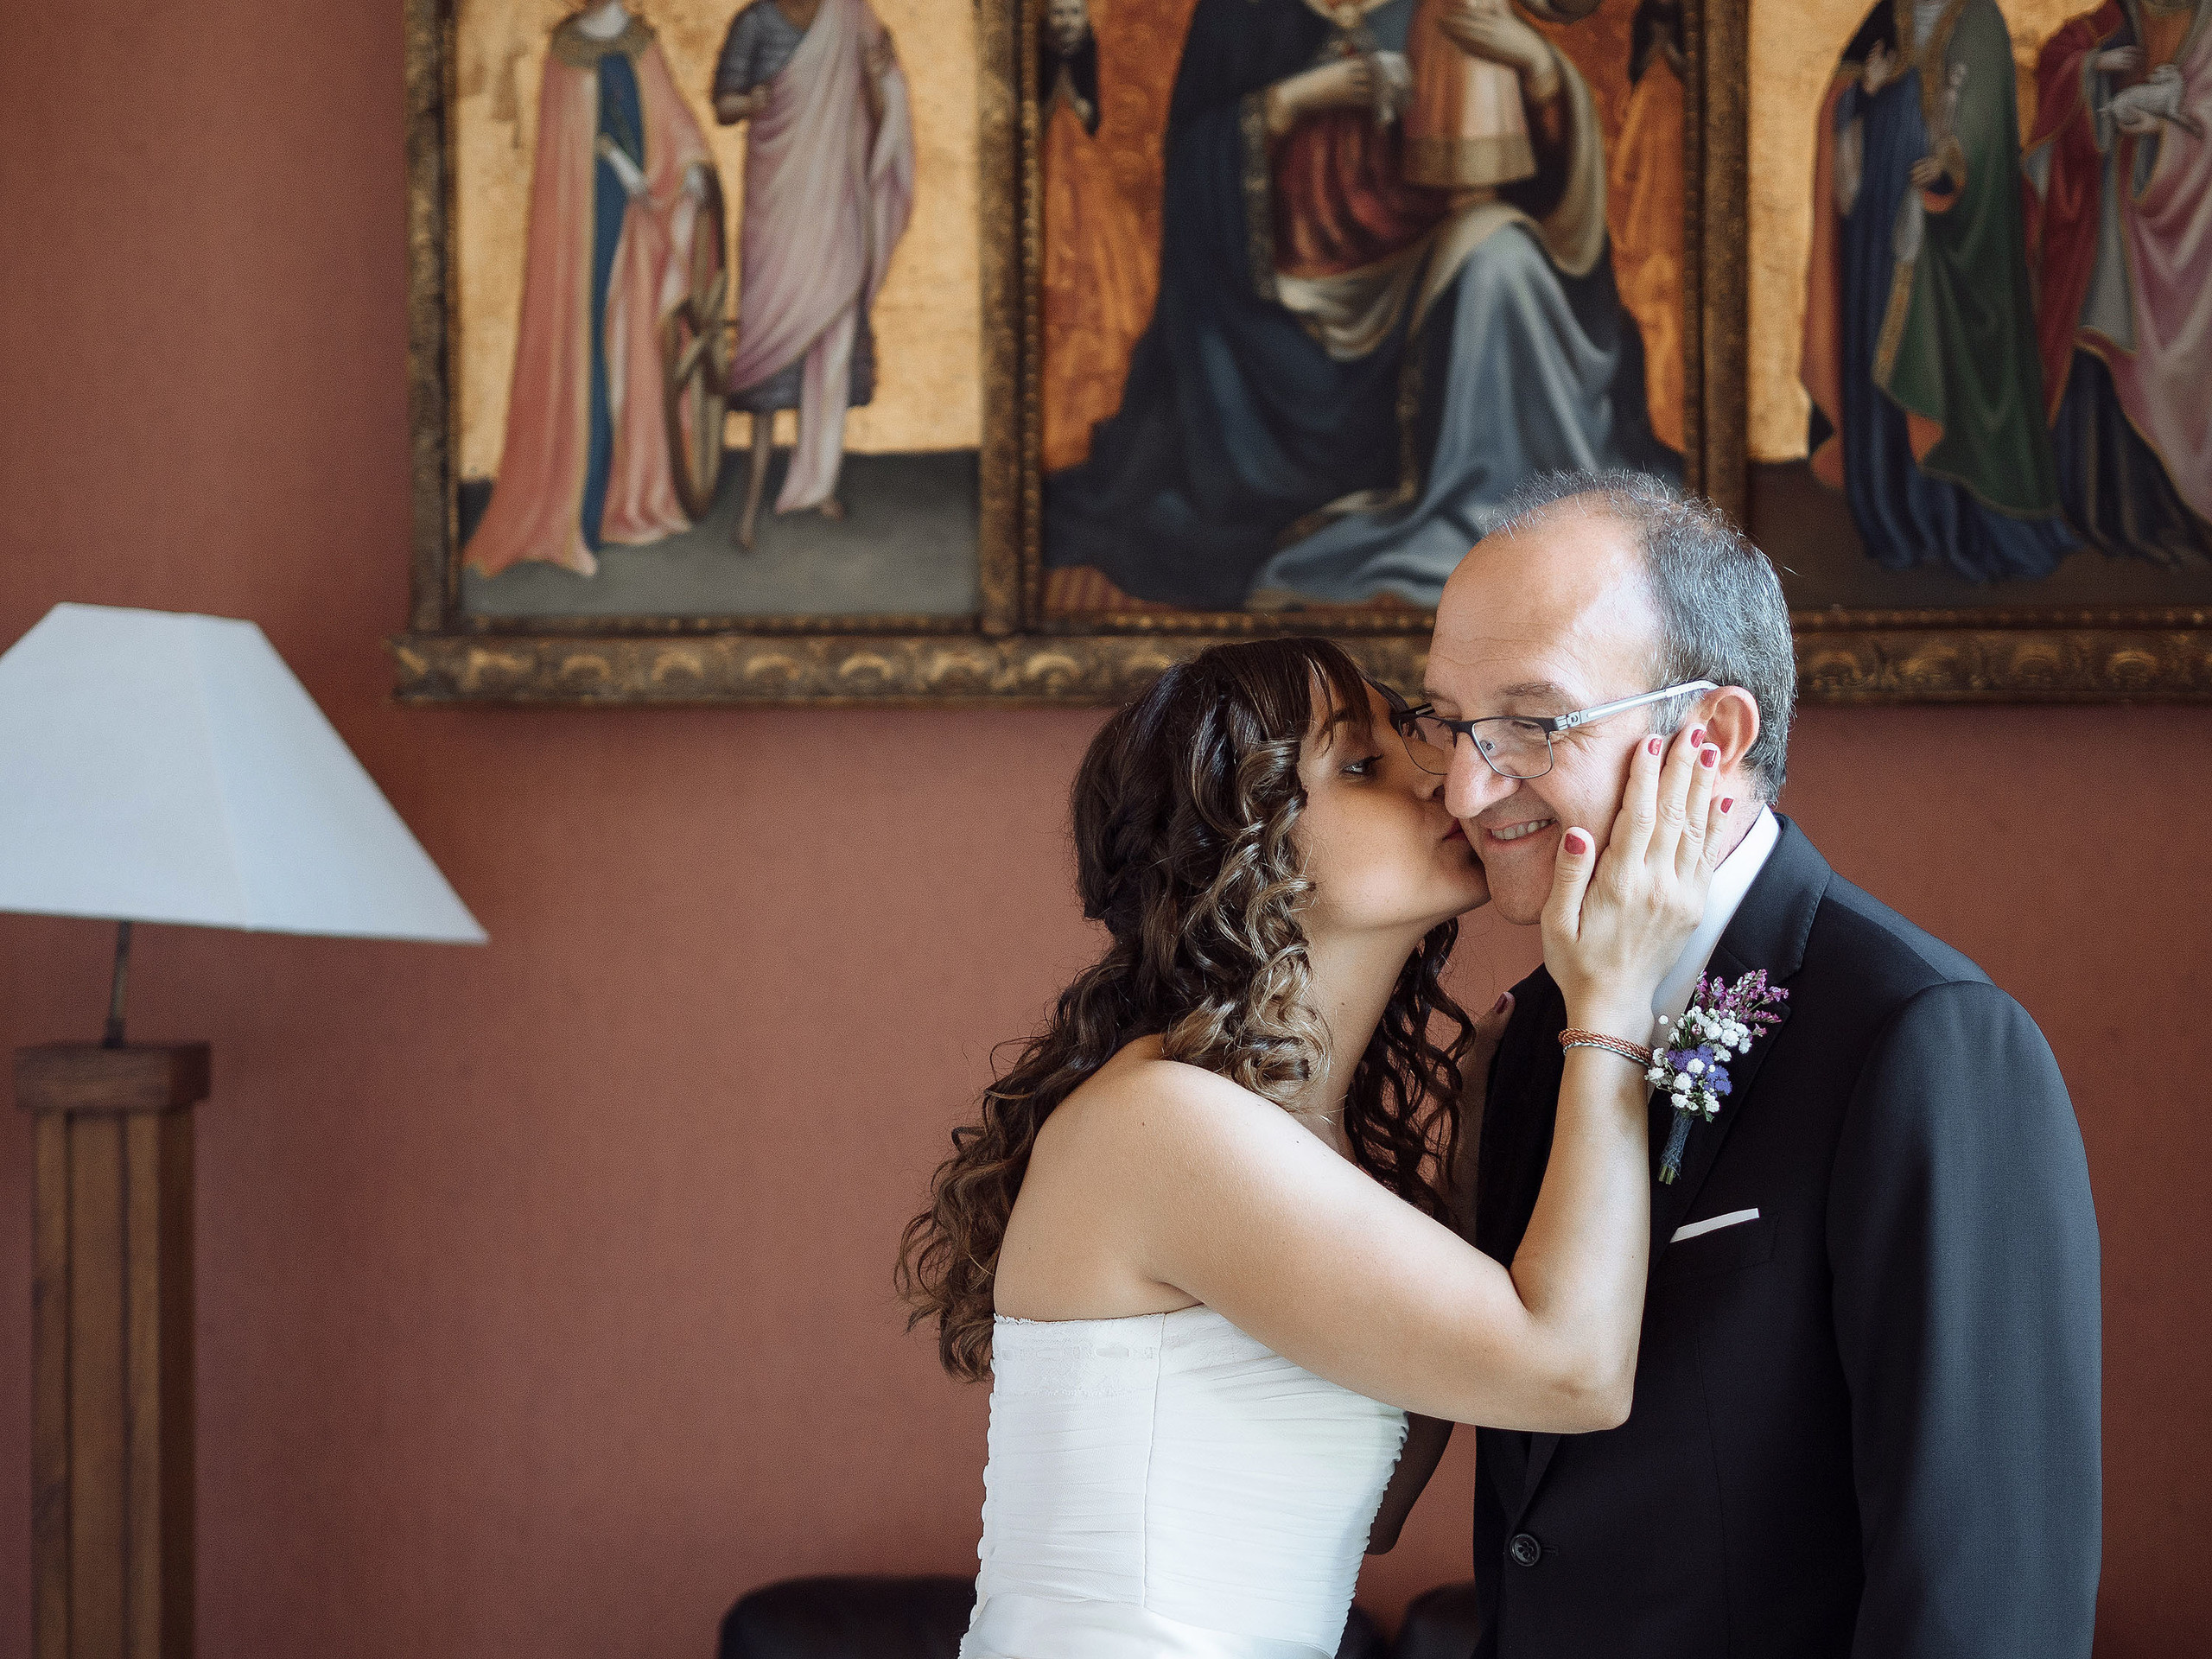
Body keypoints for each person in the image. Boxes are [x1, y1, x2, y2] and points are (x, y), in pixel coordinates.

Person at [1377, 471, 2101, 1656]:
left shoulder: (1926, 1041)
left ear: (1706, 739)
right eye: (1451, 722)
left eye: (1532, 724)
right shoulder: (1530, 1041)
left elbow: (1986, 1599)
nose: (1465, 786)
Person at [901, 635, 1732, 1658]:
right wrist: (1611, 1002)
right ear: (1243, 849)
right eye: (1360, 765)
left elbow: (1373, 1514)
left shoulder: (1291, 1138)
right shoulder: (1163, 1123)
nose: (1444, 776)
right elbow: (1572, 1376)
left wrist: (1467, 1166)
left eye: (1407, 741)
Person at [1043, 0, 1673, 611]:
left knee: (1504, 258)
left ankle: (1506, 516)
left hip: (1427, 268)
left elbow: (1530, 185)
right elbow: (1191, 186)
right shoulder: (1238, 12)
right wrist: (1295, 100)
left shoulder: (1445, 4)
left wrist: (1539, 67)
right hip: (1283, 308)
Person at [1800, 0, 2075, 582]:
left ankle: (1951, 519)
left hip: (1954, 239)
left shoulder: (1979, 19)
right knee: (1877, 353)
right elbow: (1843, 99)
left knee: (1943, 363)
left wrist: (1951, 169)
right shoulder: (1887, 15)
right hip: (1877, 226)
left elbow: (1986, 124)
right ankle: (1894, 516)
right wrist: (1863, 96)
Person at [463, 1, 713, 581]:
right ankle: (576, 511)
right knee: (587, 355)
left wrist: (691, 166)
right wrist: (618, 168)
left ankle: (631, 493)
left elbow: (672, 119)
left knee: (636, 344)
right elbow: (569, 142)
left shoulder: (642, 43)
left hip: (642, 216)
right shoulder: (565, 52)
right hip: (588, 216)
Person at [712, 0, 913, 550]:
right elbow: (723, 104)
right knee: (771, 333)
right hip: (778, 204)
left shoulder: (853, 20)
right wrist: (750, 101)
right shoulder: (754, 22)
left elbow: (878, 116)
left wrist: (877, 82)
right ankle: (751, 501)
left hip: (837, 200)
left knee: (832, 335)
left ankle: (816, 480)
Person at [2025, 0, 2212, 566]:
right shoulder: (2115, 19)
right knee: (2098, 353)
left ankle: (2176, 515)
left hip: (2192, 254)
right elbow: (2061, 57)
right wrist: (2090, 72)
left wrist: (2169, 126)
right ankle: (2102, 511)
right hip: (2105, 235)